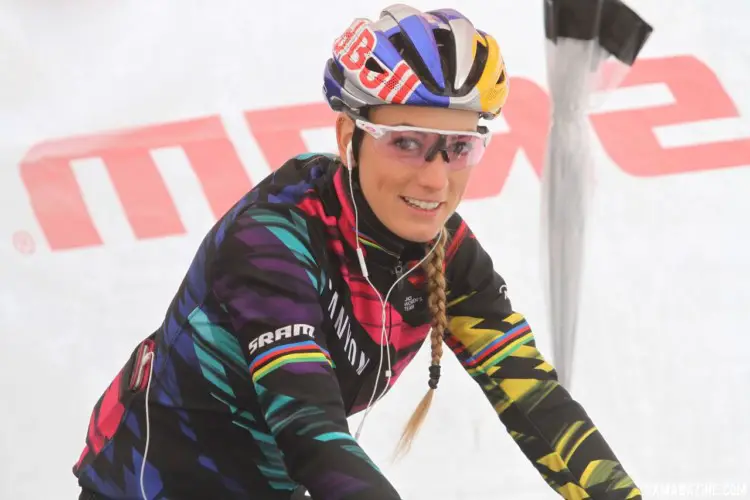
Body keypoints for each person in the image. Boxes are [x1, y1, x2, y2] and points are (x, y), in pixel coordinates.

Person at [73, 4, 640, 499]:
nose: (435, 182)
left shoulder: (447, 251)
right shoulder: (272, 238)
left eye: (459, 148)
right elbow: (309, 428)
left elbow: (533, 399)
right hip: (143, 485)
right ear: (349, 137)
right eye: (407, 143)